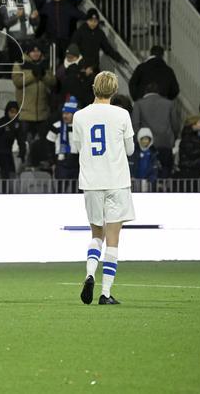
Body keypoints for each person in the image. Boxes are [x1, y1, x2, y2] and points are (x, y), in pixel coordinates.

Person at [72, 71, 134, 306]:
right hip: (116, 181)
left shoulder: (79, 116)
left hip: (91, 181)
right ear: (115, 90)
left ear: (93, 88)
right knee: (113, 238)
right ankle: (105, 293)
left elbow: (77, 148)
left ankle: (89, 273)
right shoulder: (122, 114)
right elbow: (130, 150)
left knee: (96, 235)